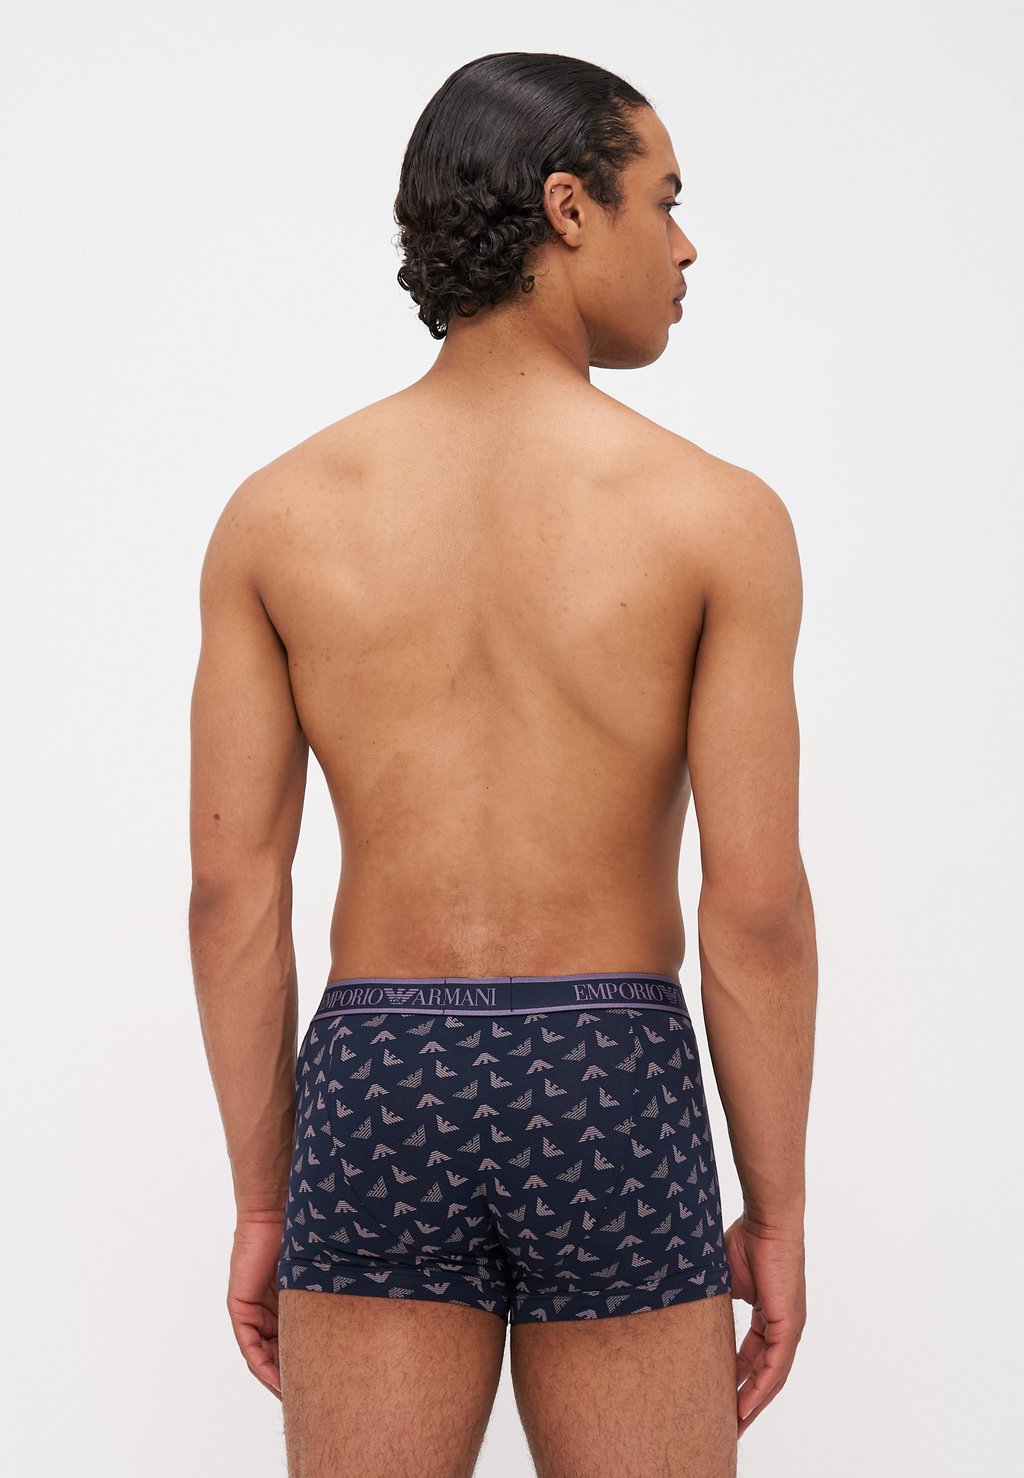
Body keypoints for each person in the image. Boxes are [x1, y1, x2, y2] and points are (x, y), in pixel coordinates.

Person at [188, 50, 818, 1478]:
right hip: (607, 1069)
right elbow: (758, 910)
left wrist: (265, 1198)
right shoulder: (716, 517)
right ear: (569, 207)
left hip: (379, 1074)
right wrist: (773, 1212)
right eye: (667, 200)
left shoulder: (277, 516)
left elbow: (232, 893)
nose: (687, 246)